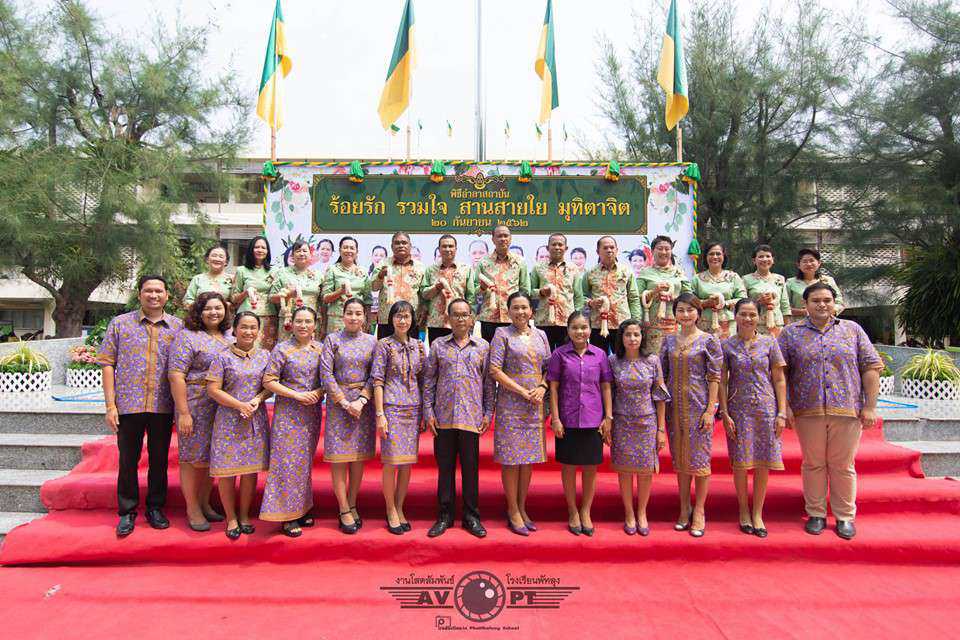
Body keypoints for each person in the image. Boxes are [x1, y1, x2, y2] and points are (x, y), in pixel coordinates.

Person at [778, 282, 883, 540]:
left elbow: (871, 367)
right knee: (813, 463)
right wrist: (785, 406)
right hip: (807, 410)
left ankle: (844, 516)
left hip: (846, 409)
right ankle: (815, 513)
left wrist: (870, 406)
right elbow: (780, 373)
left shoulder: (852, 330)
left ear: (834, 303)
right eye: (816, 301)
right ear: (805, 305)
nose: (822, 305)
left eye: (827, 300)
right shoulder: (791, 334)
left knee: (842, 464)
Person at [98, 275, 183, 537]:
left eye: (158, 291)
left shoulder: (178, 327)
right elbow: (107, 363)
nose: (153, 295)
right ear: (139, 294)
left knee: (159, 460)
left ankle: (155, 508)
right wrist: (110, 405)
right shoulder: (120, 324)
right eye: (148, 291)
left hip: (163, 405)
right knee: (128, 460)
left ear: (167, 295)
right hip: (129, 404)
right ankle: (127, 511)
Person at [422, 298, 494, 538]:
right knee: (445, 469)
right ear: (448, 318)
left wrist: (488, 412)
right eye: (456, 314)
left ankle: (471, 516)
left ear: (472, 319)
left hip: (471, 417)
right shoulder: (438, 345)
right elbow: (429, 380)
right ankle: (444, 515)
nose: (461, 319)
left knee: (471, 469)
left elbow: (488, 383)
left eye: (465, 314)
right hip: (443, 417)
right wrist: (428, 412)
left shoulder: (483, 347)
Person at [718, 298, 787, 538]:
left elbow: (779, 379)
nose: (748, 319)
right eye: (743, 314)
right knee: (741, 461)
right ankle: (743, 510)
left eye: (752, 314)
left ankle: (758, 512)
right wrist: (724, 412)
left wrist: (781, 412)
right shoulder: (727, 345)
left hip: (766, 408)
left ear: (759, 317)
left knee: (762, 461)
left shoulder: (770, 343)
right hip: (738, 409)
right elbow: (721, 381)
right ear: (735, 316)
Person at [168, 291, 232, 531]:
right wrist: (184, 412)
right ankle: (192, 507)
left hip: (221, 406)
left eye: (218, 308)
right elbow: (176, 375)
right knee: (191, 458)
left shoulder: (228, 337)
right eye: (208, 308)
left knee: (211, 456)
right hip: (195, 403)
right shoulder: (187, 336)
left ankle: (205, 502)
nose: (214, 312)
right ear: (199, 311)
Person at [660, 292, 722, 538]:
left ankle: (699, 510)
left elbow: (714, 376)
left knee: (700, 459)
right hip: (674, 408)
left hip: (699, 407)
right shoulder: (668, 341)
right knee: (681, 459)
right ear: (675, 313)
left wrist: (710, 409)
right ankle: (684, 507)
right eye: (680, 310)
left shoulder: (708, 340)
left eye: (690, 310)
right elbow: (662, 376)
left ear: (698, 313)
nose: (685, 315)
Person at [489, 292, 551, 536]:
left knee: (527, 459)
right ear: (509, 311)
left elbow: (549, 367)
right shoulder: (502, 334)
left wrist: (542, 386)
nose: (520, 312)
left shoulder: (541, 335)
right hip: (511, 404)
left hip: (535, 404)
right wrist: (522, 391)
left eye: (524, 307)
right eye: (515, 307)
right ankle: (512, 509)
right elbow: (494, 370)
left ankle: (522, 507)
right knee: (511, 458)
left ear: (531, 311)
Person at [206, 311, 272, 539]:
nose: (248, 331)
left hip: (254, 418)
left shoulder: (265, 356)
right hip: (228, 419)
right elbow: (213, 389)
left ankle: (244, 515)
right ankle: (231, 517)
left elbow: (270, 385)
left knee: (249, 470)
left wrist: (257, 399)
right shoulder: (222, 357)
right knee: (227, 471)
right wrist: (238, 405)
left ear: (259, 331)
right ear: (234, 330)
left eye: (253, 327)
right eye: (244, 327)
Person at [547, 310, 613, 536]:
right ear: (568, 330)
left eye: (584, 327)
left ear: (590, 330)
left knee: (590, 467)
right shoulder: (559, 354)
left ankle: (585, 510)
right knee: (568, 466)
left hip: (593, 419)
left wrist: (608, 417)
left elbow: (606, 386)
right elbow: (553, 388)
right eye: (574, 327)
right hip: (567, 418)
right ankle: (572, 510)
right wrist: (556, 418)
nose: (579, 331)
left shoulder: (600, 355)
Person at [260, 306, 324, 537]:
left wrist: (319, 392)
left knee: (303, 462)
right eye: (299, 321)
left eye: (308, 321)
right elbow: (269, 381)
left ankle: (302, 507)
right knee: (286, 462)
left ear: (315, 325)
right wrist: (296, 395)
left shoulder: (321, 349)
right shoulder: (282, 349)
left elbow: (329, 378)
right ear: (292, 323)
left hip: (311, 413)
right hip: (288, 412)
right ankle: (286, 514)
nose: (303, 325)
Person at [319, 298, 378, 535]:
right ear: (342, 315)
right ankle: (343, 508)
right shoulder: (332, 340)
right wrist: (343, 401)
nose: (354, 317)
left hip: (363, 405)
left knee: (356, 457)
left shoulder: (372, 341)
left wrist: (362, 400)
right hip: (339, 404)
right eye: (349, 313)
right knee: (339, 458)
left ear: (365, 317)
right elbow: (326, 373)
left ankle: (352, 503)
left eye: (358, 313)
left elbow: (376, 373)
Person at [609, 319, 669, 536]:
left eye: (636, 334)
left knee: (645, 471)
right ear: (621, 338)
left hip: (646, 422)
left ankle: (642, 512)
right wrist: (608, 421)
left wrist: (660, 429)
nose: (632, 339)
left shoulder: (652, 361)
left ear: (642, 337)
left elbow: (660, 395)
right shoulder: (613, 361)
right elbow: (608, 393)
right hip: (622, 421)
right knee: (625, 471)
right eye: (628, 335)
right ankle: (628, 513)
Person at [372, 301, 426, 534]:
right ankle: (390, 508)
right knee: (391, 461)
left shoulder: (419, 346)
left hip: (413, 408)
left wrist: (425, 412)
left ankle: (400, 506)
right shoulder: (384, 345)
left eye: (406, 316)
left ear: (412, 320)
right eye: (398, 316)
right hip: (391, 407)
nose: (402, 321)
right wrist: (380, 414)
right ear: (391, 319)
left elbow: (423, 380)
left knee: (406, 462)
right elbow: (377, 380)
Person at [581, 236, 642, 353]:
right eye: (605, 248)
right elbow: (581, 298)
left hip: (622, 325)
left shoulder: (626, 272)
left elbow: (633, 298)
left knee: (622, 358)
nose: (609, 250)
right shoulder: (590, 273)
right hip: (597, 325)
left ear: (617, 250)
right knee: (598, 358)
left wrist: (635, 322)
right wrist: (590, 303)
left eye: (612, 247)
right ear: (598, 251)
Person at [636, 235, 692, 355]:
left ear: (671, 251)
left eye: (667, 249)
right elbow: (637, 298)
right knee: (654, 357)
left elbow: (689, 297)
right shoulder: (645, 273)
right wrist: (654, 292)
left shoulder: (679, 272)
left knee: (676, 356)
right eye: (660, 248)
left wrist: (673, 298)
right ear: (652, 251)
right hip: (652, 325)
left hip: (676, 321)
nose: (664, 252)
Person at [475, 225, 531, 343]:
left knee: (514, 351)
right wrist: (482, 288)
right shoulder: (483, 263)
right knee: (490, 351)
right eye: (499, 236)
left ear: (510, 238)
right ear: (493, 239)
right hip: (489, 318)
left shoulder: (519, 262)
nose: (503, 239)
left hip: (513, 317)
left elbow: (525, 290)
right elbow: (474, 292)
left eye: (506, 236)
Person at [530, 233, 584, 351]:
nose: (557, 247)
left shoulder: (573, 269)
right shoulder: (537, 268)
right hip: (543, 321)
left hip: (567, 322)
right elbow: (529, 292)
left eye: (560, 244)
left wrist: (576, 318)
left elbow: (578, 296)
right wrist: (541, 292)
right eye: (554, 244)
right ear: (548, 247)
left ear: (566, 248)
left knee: (566, 356)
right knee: (544, 356)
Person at [420, 234, 476, 343]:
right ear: (439, 249)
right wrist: (436, 287)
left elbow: (471, 297)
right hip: (436, 323)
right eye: (444, 246)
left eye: (451, 246)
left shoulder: (466, 269)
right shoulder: (430, 270)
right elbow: (424, 294)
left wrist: (471, 319)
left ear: (456, 249)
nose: (447, 249)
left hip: (460, 322)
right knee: (436, 352)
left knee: (461, 351)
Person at [370, 232, 426, 339]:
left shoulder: (420, 267)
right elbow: (373, 287)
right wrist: (380, 275)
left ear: (410, 246)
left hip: (411, 321)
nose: (401, 245)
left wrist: (423, 317)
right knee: (385, 349)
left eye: (404, 243)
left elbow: (424, 294)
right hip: (387, 320)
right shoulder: (382, 264)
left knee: (411, 349)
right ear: (392, 246)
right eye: (397, 243)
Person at [690, 241, 747, 339]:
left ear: (724, 256)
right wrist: (705, 303)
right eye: (711, 254)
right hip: (703, 324)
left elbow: (743, 299)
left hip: (728, 325)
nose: (715, 257)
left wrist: (724, 303)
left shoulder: (733, 277)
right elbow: (689, 301)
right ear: (706, 257)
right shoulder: (697, 278)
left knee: (728, 348)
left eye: (718, 254)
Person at [231, 236, 278, 350]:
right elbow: (233, 298)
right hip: (247, 316)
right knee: (246, 348)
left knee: (267, 350)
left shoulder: (275, 271)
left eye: (263, 247)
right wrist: (246, 293)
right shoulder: (241, 270)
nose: (260, 250)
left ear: (267, 251)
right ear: (251, 249)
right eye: (257, 247)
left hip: (269, 317)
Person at [269, 239, 322, 341]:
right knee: (287, 349)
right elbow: (271, 298)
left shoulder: (318, 275)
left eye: (305, 251)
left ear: (310, 255)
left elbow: (322, 301)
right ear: (292, 255)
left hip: (311, 321)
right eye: (298, 251)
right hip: (289, 321)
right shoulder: (282, 273)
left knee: (311, 349)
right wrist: (288, 295)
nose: (301, 254)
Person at [321, 236, 371, 335]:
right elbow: (325, 298)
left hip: (358, 319)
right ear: (340, 250)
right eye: (345, 247)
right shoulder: (332, 270)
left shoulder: (363, 271)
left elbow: (367, 300)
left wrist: (368, 320)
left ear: (357, 252)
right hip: (337, 320)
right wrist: (340, 291)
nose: (349, 251)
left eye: (352, 248)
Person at [742, 245, 790, 338]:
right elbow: (742, 304)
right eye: (761, 257)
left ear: (773, 260)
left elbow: (785, 305)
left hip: (777, 324)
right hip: (755, 324)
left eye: (768, 256)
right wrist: (759, 302)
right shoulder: (746, 279)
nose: (765, 259)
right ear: (754, 261)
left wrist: (787, 327)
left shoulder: (779, 279)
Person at [786, 248, 846, 322]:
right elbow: (784, 307)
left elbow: (839, 303)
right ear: (798, 265)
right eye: (804, 261)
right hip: (799, 323)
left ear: (819, 263)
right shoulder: (790, 283)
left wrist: (827, 312)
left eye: (812, 260)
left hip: (826, 322)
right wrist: (803, 312)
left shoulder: (828, 281)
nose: (809, 264)